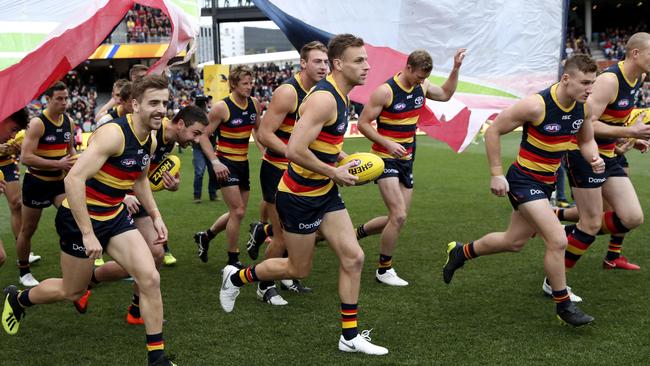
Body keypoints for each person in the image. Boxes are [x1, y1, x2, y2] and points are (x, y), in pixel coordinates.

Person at [218, 34, 388, 355]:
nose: (367, 66)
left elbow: (323, 144)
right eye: (359, 60)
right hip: (298, 197)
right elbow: (295, 149)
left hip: (324, 193)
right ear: (340, 64)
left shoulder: (343, 96)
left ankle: (349, 337)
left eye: (366, 59)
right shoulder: (324, 98)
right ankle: (237, 277)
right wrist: (333, 171)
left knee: (354, 258)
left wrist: (340, 159)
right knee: (298, 269)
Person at [2, 74, 176, 366]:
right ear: (135, 104)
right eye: (153, 103)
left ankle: (156, 359)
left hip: (114, 216)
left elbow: (141, 178)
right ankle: (18, 299)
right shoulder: (113, 134)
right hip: (79, 219)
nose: (161, 109)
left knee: (150, 277)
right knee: (72, 291)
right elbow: (73, 179)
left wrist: (156, 215)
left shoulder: (152, 136)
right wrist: (87, 233)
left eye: (165, 103)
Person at [442, 54, 603, 327]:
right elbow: (493, 131)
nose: (590, 89)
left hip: (546, 182)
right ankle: (563, 305)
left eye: (593, 83)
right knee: (558, 240)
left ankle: (461, 252)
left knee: (513, 242)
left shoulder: (583, 107)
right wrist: (496, 174)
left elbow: (586, 140)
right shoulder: (536, 105)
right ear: (566, 79)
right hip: (523, 181)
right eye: (585, 83)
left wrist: (594, 157)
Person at [73, 105, 209, 323]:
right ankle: (83, 282)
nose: (197, 140)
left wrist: (170, 185)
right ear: (181, 124)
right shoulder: (149, 132)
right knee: (139, 259)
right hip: (113, 197)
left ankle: (135, 309)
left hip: (137, 197)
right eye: (196, 133)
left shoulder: (170, 142)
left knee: (156, 253)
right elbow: (100, 161)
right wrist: (122, 194)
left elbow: (144, 175)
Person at [356, 48, 466, 286]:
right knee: (398, 215)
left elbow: (446, 94)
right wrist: (387, 143)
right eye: (419, 76)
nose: (422, 81)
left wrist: (456, 68)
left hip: (407, 158)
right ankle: (384, 270)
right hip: (384, 158)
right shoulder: (385, 92)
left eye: (425, 77)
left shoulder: (423, 86)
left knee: (398, 218)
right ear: (408, 67)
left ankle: (357, 233)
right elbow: (364, 124)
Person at [558, 33, 650, 280]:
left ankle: (561, 227)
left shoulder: (639, 77)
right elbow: (587, 124)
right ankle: (556, 276)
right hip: (585, 154)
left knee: (630, 217)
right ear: (635, 54)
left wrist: (630, 138)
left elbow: (616, 119)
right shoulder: (609, 80)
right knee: (592, 220)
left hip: (609, 152)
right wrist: (629, 131)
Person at [247, 41, 329, 304]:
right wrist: (294, 153)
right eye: (317, 61)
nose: (323, 67)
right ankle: (264, 285)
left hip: (303, 174)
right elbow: (264, 133)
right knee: (282, 235)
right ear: (303, 63)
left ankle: (280, 263)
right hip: (277, 170)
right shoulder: (288, 92)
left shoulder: (321, 92)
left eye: (326, 62)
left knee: (311, 232)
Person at [193, 65, 260, 267]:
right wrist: (215, 162)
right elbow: (203, 135)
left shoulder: (255, 103)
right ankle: (233, 259)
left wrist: (266, 152)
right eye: (244, 84)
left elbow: (260, 131)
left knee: (236, 213)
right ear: (233, 84)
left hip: (244, 163)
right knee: (238, 212)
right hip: (226, 164)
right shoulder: (222, 107)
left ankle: (206, 236)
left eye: (251, 83)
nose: (249, 87)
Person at [16, 82, 76, 286]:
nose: (64, 102)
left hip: (59, 183)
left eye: (66, 98)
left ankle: (73, 262)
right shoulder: (38, 123)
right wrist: (57, 163)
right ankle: (24, 271)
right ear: (47, 99)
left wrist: (76, 164)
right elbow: (26, 157)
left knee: (73, 216)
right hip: (37, 183)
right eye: (59, 98)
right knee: (28, 229)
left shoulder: (69, 121)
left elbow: (71, 152)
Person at [0, 108, 30, 267]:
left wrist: (19, 149)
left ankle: (22, 248)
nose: (13, 135)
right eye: (13, 129)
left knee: (17, 204)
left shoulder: (17, 135)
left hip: (6, 165)